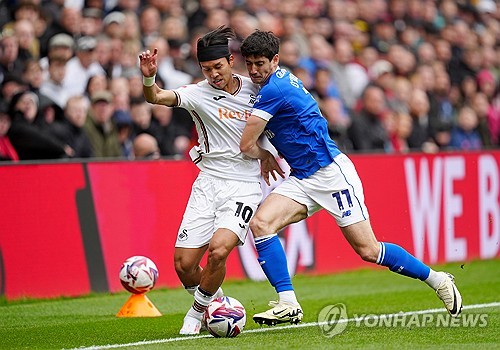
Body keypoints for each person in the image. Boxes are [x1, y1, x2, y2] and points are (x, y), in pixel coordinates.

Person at [239, 30, 463, 326]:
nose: (254, 71)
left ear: (275, 60)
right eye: (249, 64)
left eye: (259, 64)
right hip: (304, 176)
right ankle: (288, 303)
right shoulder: (276, 81)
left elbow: (245, 144)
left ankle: (438, 280)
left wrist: (264, 154)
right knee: (261, 223)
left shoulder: (273, 90)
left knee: (368, 251)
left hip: (331, 174)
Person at [138, 26, 263, 335]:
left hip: (244, 185)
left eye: (218, 67)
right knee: (183, 265)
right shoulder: (197, 93)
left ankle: (195, 315)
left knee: (219, 250)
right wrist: (149, 76)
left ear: (231, 60)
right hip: (208, 183)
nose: (213, 75)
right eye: (206, 70)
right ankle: (217, 304)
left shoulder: (256, 91)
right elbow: (155, 96)